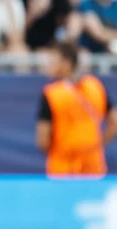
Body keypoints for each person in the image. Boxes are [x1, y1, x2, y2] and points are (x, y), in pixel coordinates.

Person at [36, 41, 117, 177]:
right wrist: (96, 146)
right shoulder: (95, 86)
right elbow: (114, 122)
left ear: (67, 63)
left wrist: (59, 152)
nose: (48, 65)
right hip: (93, 164)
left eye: (53, 60)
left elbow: (43, 139)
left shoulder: (51, 94)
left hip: (62, 167)